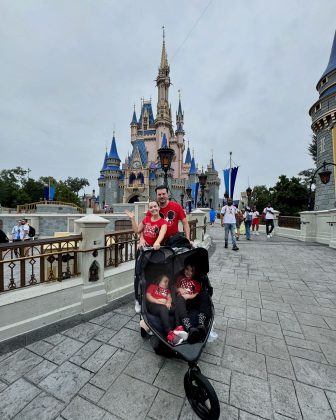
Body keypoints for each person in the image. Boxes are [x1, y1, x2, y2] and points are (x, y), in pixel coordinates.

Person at [126, 201, 168, 314]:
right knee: (138, 276)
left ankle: (150, 299)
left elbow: (162, 234)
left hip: (153, 253)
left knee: (150, 277)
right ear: (149, 209)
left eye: (155, 206)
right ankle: (137, 300)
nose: (153, 208)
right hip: (142, 252)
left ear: (159, 208)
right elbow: (137, 230)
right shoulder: (146, 219)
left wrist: (157, 243)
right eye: (151, 207)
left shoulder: (163, 222)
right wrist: (132, 218)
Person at [146, 273, 187, 346]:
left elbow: (169, 298)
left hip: (164, 306)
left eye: (168, 282)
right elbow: (148, 296)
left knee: (176, 307)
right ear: (159, 281)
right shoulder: (153, 286)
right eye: (165, 281)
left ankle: (178, 327)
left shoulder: (167, 290)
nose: (167, 283)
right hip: (154, 305)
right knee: (163, 308)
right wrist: (160, 302)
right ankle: (169, 333)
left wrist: (168, 302)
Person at [175, 263, 210, 343]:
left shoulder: (196, 282)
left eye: (192, 271)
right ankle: (189, 327)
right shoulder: (180, 278)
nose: (188, 272)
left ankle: (201, 323)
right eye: (187, 269)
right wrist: (179, 289)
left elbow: (197, 293)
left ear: (194, 273)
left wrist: (188, 296)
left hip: (192, 300)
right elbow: (174, 287)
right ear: (184, 269)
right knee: (180, 298)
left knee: (204, 294)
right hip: (181, 302)